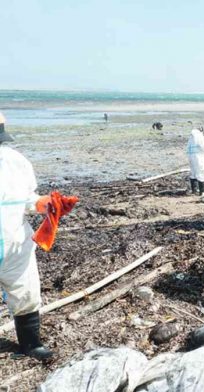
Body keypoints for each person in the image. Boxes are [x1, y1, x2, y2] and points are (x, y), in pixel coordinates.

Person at [0, 113, 78, 360]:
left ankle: (31, 344)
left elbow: (26, 199)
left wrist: (45, 204)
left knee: (26, 292)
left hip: (14, 242)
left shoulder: (15, 161)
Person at [187, 128, 204, 195]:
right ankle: (202, 192)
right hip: (199, 157)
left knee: (193, 173)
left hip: (191, 156)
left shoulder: (191, 137)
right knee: (201, 172)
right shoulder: (199, 136)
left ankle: (194, 190)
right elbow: (202, 146)